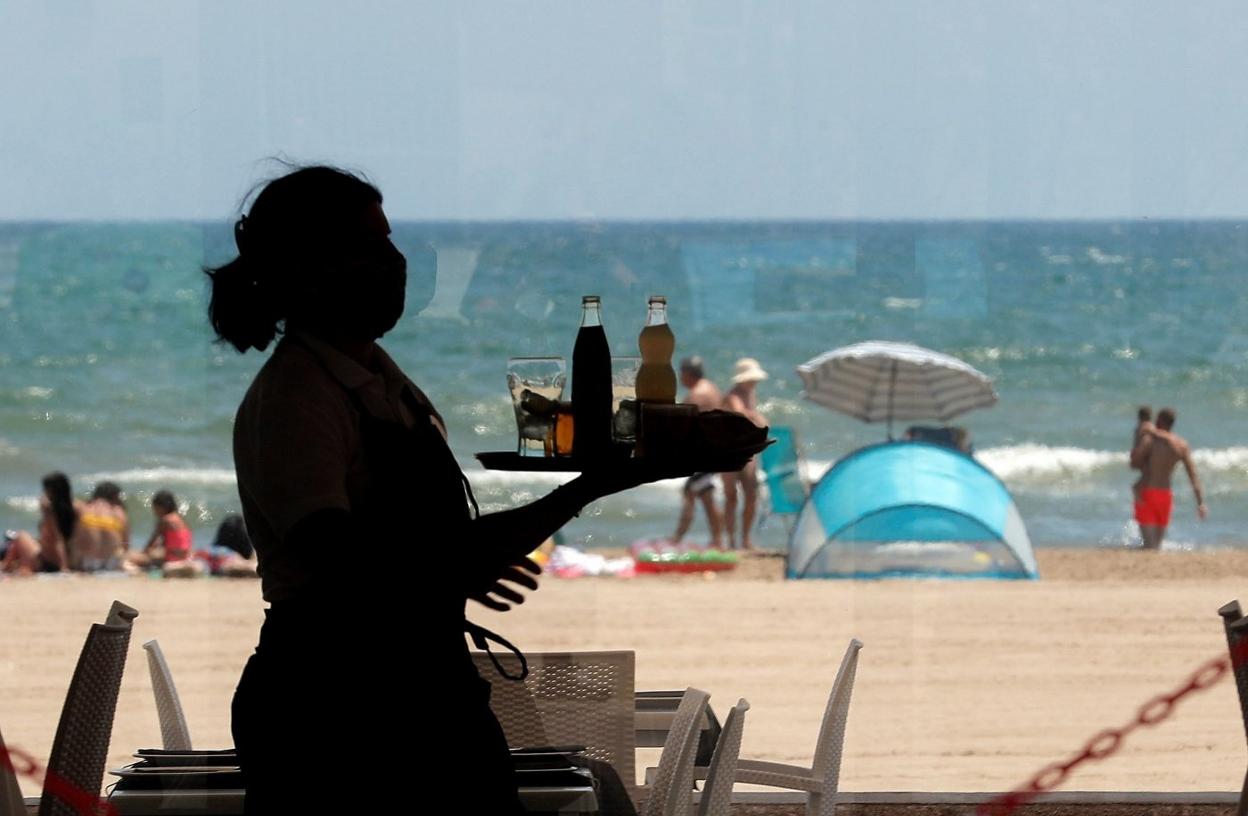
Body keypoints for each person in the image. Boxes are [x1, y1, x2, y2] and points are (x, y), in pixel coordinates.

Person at [205, 165, 712, 813]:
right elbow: (338, 559)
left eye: (391, 243)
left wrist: (595, 486)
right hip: (336, 708)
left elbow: (429, 552)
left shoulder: (380, 383)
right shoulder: (295, 398)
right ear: (314, 267)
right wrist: (459, 564)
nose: (397, 261)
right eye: (371, 245)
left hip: (419, 691)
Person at [1129, 407, 1207, 549]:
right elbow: (1193, 476)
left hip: (1146, 494)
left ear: (1158, 420)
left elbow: (1134, 464)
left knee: (1149, 546)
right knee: (1156, 547)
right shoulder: (1181, 445)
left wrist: (1138, 437)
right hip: (1166, 496)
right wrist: (1200, 503)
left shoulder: (1149, 440)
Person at [671, 356, 724, 548]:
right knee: (704, 493)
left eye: (681, 373)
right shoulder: (712, 388)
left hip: (705, 453)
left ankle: (678, 538)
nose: (680, 377)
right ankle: (716, 540)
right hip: (716, 449)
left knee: (693, 492)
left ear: (687, 373)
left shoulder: (695, 396)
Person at [721, 357, 768, 550]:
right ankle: (732, 540)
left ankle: (745, 538)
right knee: (731, 497)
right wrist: (758, 418)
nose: (755, 382)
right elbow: (741, 414)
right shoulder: (732, 395)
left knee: (751, 495)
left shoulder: (750, 393)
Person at [1, 473, 80, 574]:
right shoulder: (74, 509)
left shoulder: (51, 512)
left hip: (48, 562)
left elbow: (57, 539)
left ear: (50, 491)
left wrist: (63, 567)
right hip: (69, 559)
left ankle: (5, 567)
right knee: (25, 542)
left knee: (21, 536)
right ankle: (9, 566)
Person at [126, 490, 194, 571]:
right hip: (186, 556)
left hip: (172, 558)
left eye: (155, 508)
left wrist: (143, 554)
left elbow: (151, 542)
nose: (154, 511)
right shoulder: (180, 519)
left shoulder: (165, 520)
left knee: (132, 557)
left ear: (161, 507)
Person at [77, 481, 129, 572]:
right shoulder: (117, 511)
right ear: (114, 496)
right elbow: (125, 544)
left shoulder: (85, 508)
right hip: (111, 562)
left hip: (87, 561)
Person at [1129, 406, 1155, 503]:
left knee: (1145, 473)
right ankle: (1137, 489)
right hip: (1144, 453)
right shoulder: (1148, 426)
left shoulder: (1138, 427)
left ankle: (1139, 492)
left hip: (1137, 452)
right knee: (1148, 473)